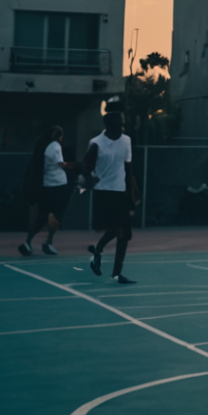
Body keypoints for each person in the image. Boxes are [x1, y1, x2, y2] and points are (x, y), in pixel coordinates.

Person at [81, 108, 138, 284]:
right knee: (117, 229)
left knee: (124, 233)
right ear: (108, 127)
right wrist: (90, 178)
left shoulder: (126, 141)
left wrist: (133, 191)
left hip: (120, 191)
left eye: (121, 125)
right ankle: (99, 253)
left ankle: (114, 270)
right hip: (103, 192)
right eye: (117, 126)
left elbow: (128, 168)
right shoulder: (96, 143)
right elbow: (85, 165)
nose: (120, 129)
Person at [18, 124, 73, 257]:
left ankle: (29, 241)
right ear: (59, 136)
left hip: (47, 185)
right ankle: (48, 242)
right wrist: (78, 165)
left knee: (43, 215)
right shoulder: (55, 147)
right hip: (58, 185)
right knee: (56, 215)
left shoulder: (43, 146)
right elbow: (61, 163)